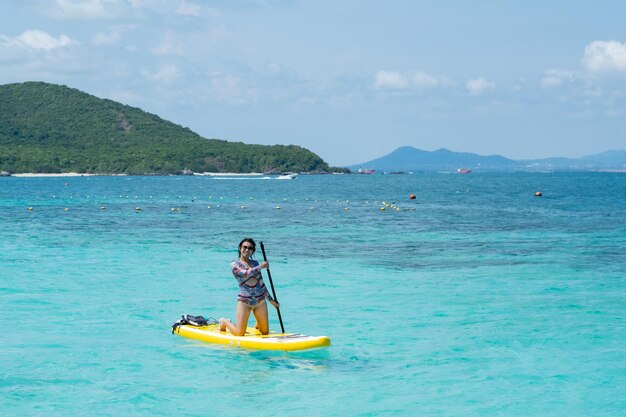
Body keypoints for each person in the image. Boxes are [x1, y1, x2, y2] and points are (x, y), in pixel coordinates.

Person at [219, 238, 279, 336]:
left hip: (260, 300)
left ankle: (259, 323)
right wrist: (260, 267)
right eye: (244, 247)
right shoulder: (234, 264)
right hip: (244, 301)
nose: (247, 250)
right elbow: (245, 273)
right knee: (239, 333)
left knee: (264, 332)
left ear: (253, 251)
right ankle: (225, 321)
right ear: (240, 248)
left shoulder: (255, 263)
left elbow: (261, 283)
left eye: (250, 248)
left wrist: (271, 300)